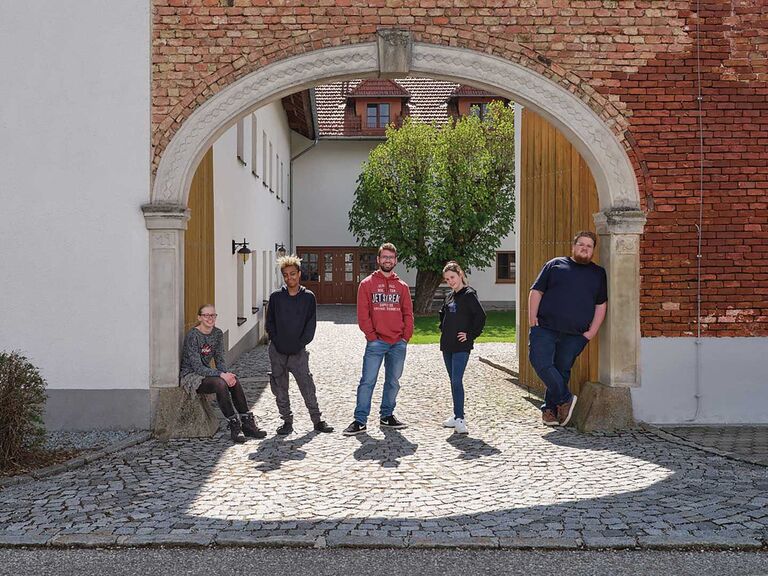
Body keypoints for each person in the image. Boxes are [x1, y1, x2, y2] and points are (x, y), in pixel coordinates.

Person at [528, 231, 607, 427]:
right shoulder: (555, 265)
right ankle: (565, 398)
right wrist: (532, 317)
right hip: (545, 327)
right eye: (581, 244)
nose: (584, 248)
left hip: (575, 334)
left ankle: (551, 411)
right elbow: (536, 291)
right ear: (573, 247)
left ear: (593, 251)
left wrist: (591, 332)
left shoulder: (598, 273)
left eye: (589, 246)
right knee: (539, 361)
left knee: (561, 370)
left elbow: (601, 304)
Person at [343, 242, 414, 436]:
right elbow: (363, 314)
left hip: (398, 342)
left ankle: (387, 416)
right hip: (376, 342)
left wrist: (405, 336)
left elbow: (408, 313)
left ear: (396, 260)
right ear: (378, 259)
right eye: (385, 257)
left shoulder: (402, 287)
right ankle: (359, 420)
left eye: (391, 257)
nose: (388, 260)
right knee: (367, 381)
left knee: (393, 381)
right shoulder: (367, 284)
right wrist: (372, 336)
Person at [266, 255, 334, 435]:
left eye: (293, 274)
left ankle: (317, 420)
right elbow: (270, 323)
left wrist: (299, 344)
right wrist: (277, 342)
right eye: (286, 275)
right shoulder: (276, 297)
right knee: (280, 388)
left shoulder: (308, 298)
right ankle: (287, 421)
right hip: (277, 352)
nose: (290, 278)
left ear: (299, 274)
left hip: (298, 353)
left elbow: (310, 326)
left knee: (307, 386)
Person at [180, 304, 267, 443]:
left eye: (213, 315)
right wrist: (221, 375)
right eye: (206, 315)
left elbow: (220, 360)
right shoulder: (193, 336)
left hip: (208, 373)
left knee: (233, 380)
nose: (210, 318)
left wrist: (226, 374)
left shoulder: (217, 334)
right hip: (191, 376)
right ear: (199, 317)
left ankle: (247, 423)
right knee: (220, 383)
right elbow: (197, 367)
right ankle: (234, 424)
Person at [439, 261, 486, 435]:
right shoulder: (450, 296)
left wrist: (470, 334)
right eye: (447, 279)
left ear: (460, 274)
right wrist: (442, 328)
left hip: (461, 346)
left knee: (457, 380)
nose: (450, 281)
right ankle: (455, 414)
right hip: (447, 345)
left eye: (452, 277)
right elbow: (443, 314)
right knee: (453, 381)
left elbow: (481, 317)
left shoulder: (469, 295)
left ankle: (460, 419)